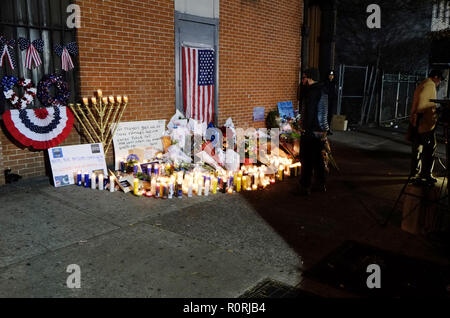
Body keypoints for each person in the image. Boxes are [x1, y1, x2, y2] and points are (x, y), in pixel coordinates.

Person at [298, 68, 330, 195]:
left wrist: (306, 128)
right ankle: (320, 184)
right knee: (317, 159)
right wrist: (324, 129)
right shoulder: (322, 90)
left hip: (311, 131)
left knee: (306, 159)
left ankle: (305, 187)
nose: (303, 80)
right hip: (319, 130)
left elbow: (312, 113)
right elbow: (324, 112)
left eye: (305, 77)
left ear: (310, 78)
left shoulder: (312, 92)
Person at [409, 69, 443, 185]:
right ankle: (426, 175)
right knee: (430, 148)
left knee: (417, 148)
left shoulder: (423, 83)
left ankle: (414, 172)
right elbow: (424, 103)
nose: (439, 83)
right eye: (439, 80)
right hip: (424, 124)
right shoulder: (430, 85)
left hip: (416, 122)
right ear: (436, 77)